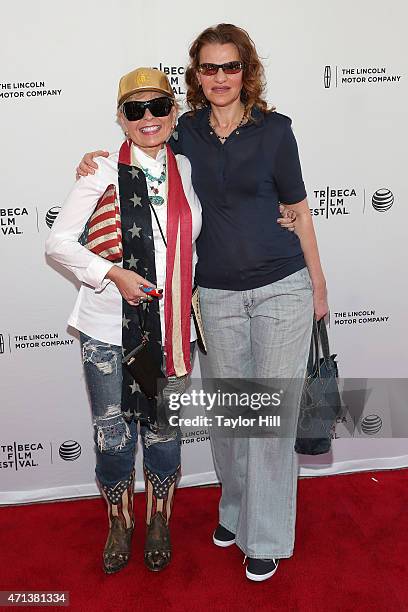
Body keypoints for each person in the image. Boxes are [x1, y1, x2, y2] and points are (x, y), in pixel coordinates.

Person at [76, 23, 328, 582]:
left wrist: (319, 287)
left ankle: (265, 538)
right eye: (209, 68)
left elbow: (300, 210)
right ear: (196, 75)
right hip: (212, 294)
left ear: (247, 71)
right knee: (232, 417)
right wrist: (94, 162)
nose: (220, 78)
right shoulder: (182, 131)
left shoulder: (276, 131)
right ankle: (236, 512)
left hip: (281, 286)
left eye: (230, 67)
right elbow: (138, 154)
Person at [46, 67, 202, 574]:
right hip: (109, 331)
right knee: (113, 435)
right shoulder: (100, 170)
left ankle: (160, 520)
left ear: (173, 112)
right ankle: (120, 522)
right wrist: (110, 272)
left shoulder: (186, 168)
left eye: (158, 106)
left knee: (162, 432)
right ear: (121, 118)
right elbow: (58, 243)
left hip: (171, 329)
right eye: (135, 110)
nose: (148, 118)